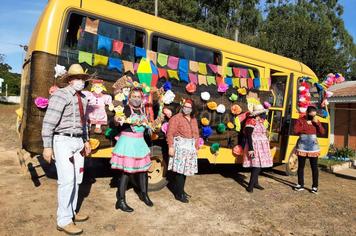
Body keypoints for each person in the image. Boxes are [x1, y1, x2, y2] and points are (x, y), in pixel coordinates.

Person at [42, 64, 92, 235]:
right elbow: (49, 122)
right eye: (78, 78)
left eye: (83, 78)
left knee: (77, 179)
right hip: (63, 140)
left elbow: (84, 122)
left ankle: (71, 212)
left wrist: (86, 141)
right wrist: (47, 146)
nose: (81, 81)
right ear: (70, 80)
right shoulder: (60, 95)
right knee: (67, 180)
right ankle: (63, 220)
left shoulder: (83, 98)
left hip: (78, 141)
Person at [110, 86, 153, 212]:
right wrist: (116, 120)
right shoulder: (124, 108)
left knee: (144, 171)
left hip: (140, 142)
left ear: (142, 99)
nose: (136, 99)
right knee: (126, 172)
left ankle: (144, 194)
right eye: (134, 96)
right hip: (128, 143)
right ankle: (121, 200)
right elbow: (115, 120)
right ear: (129, 98)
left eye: (139, 97)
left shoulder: (142, 110)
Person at [166, 99, 199, 203]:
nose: (187, 108)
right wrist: (170, 146)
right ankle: (178, 194)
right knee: (180, 172)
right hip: (180, 147)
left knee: (185, 171)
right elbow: (170, 133)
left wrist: (196, 147)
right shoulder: (176, 118)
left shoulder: (193, 119)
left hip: (190, 148)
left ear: (192, 109)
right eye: (185, 106)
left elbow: (196, 134)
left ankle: (181, 190)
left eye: (189, 107)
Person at [293, 105, 325, 194]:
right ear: (307, 113)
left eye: (314, 115)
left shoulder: (316, 120)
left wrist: (317, 123)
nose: (312, 117)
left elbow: (322, 132)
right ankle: (300, 184)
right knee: (301, 166)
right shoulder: (300, 120)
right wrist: (305, 125)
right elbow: (295, 130)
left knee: (314, 167)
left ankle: (315, 186)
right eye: (311, 115)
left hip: (313, 146)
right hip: (302, 145)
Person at [243, 104, 273, 193]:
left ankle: (255, 183)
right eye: (262, 113)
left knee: (259, 165)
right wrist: (251, 149)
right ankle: (250, 186)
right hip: (255, 145)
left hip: (262, 146)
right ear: (257, 114)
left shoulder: (260, 121)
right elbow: (249, 136)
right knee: (256, 166)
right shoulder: (250, 121)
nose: (264, 115)